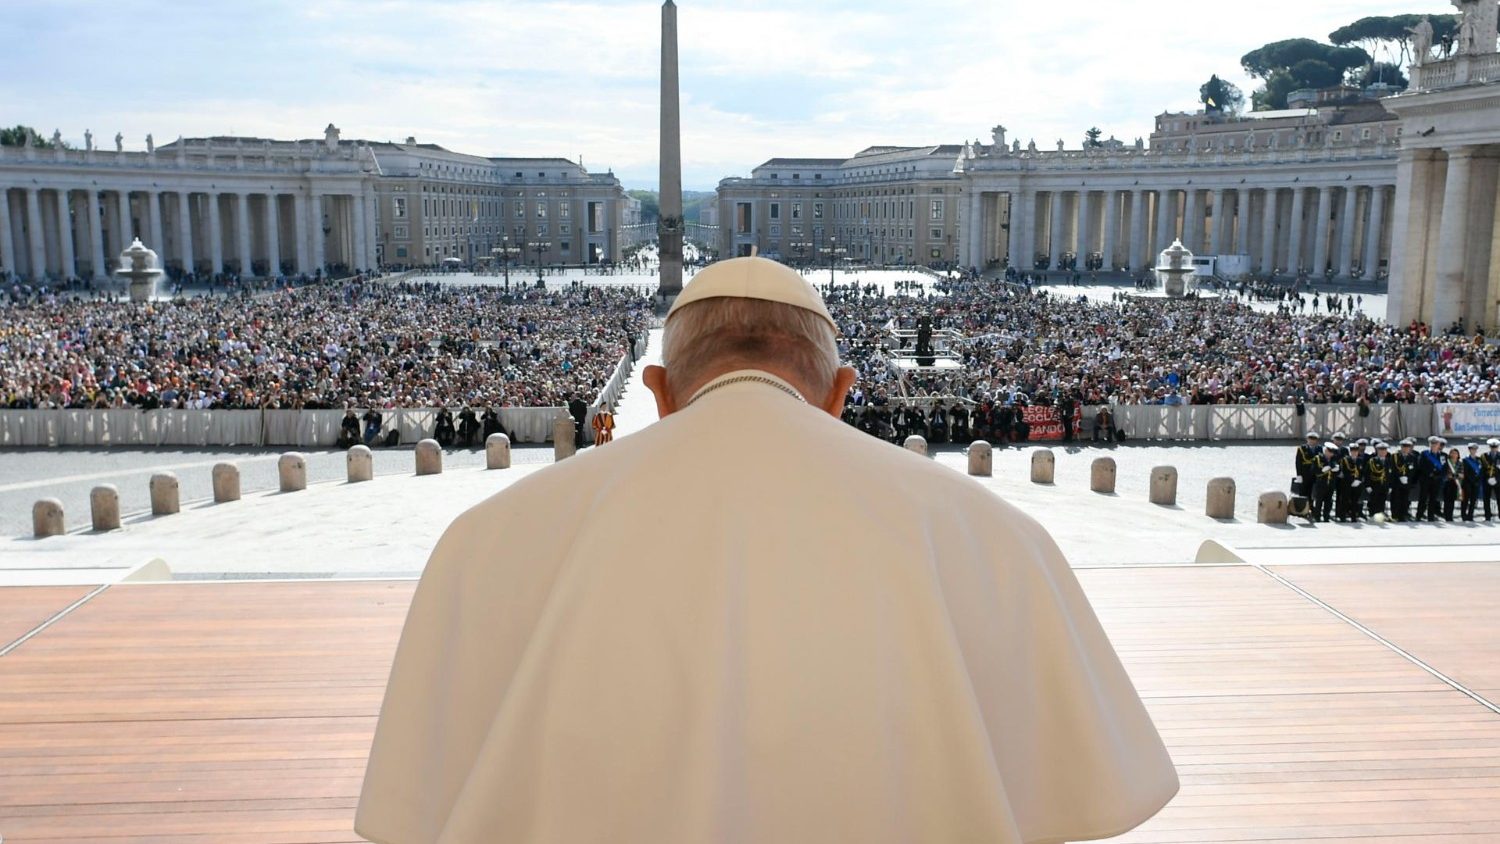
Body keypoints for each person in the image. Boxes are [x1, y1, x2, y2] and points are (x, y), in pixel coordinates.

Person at [356, 257, 1177, 844]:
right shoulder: (991, 535)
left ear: (658, 391)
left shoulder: (487, 541)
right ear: (841, 391)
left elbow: (418, 807)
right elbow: (1078, 794)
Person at [1390, 438, 1419, 522]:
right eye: (1404, 447)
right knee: (1395, 500)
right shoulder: (1395, 456)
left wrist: (1411, 481)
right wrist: (1399, 477)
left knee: (1405, 500)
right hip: (1396, 483)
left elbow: (1415, 471)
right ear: (1401, 447)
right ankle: (1394, 516)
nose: (1406, 449)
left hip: (1407, 483)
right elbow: (1392, 469)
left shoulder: (1413, 458)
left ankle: (1403, 516)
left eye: (1407, 447)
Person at [1364, 441, 1393, 519]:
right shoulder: (1372, 461)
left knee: (1382, 501)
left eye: (1384, 450)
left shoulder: (1389, 461)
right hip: (1374, 485)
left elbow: (1391, 475)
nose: (1383, 452)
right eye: (1381, 450)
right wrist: (1367, 485)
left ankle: (1380, 516)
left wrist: (1390, 486)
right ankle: (1372, 515)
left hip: (1384, 485)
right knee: (1373, 501)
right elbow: (1367, 474)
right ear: (1377, 450)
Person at [1313, 442, 1339, 522]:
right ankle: (1317, 517)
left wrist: (1337, 470)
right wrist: (1323, 470)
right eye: (1329, 452)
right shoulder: (1318, 458)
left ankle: (1326, 516)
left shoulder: (1333, 459)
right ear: (1325, 450)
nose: (1331, 454)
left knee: (1328, 501)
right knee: (1319, 501)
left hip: (1330, 483)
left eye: (1332, 452)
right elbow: (1315, 470)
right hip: (1321, 483)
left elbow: (1336, 469)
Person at [1461, 443, 1484, 522]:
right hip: (1467, 483)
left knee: (1473, 501)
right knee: (1465, 500)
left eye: (1475, 449)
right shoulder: (1465, 460)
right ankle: (1464, 515)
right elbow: (1466, 473)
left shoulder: (1479, 460)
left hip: (1476, 484)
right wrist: (1473, 480)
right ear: (1469, 450)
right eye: (1472, 449)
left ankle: (1470, 516)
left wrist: (1477, 481)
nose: (1473, 451)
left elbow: (1481, 471)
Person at [1481, 438, 1500, 521]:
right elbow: (1482, 470)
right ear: (1489, 447)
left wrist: (1497, 479)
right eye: (1492, 447)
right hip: (1487, 481)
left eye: (1495, 447)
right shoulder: (1484, 456)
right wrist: (1487, 479)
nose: (1494, 448)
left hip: (1498, 482)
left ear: (1498, 447)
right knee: (1486, 499)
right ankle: (1487, 516)